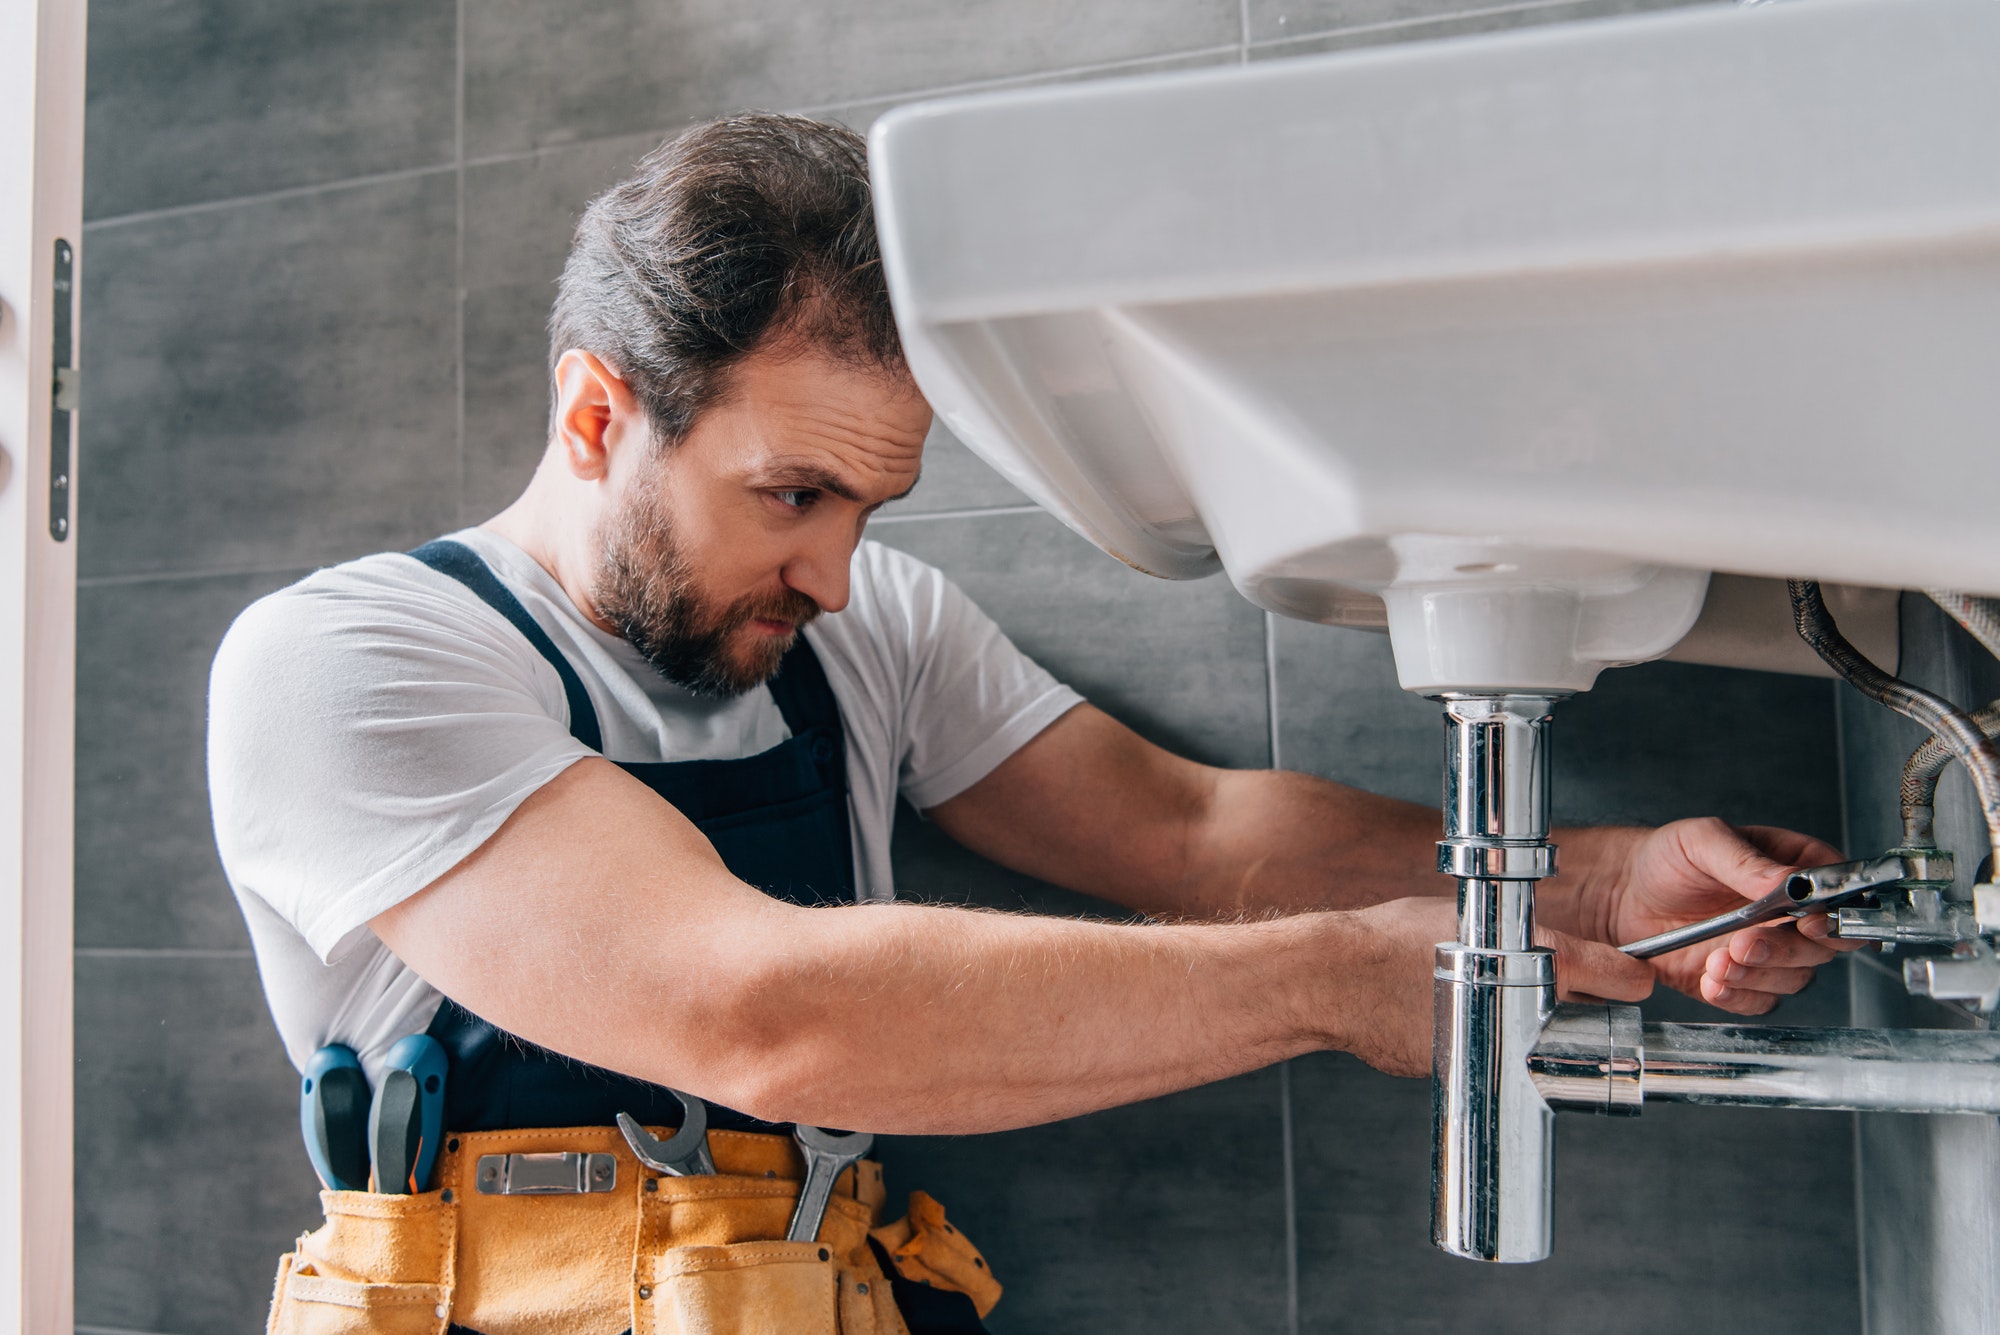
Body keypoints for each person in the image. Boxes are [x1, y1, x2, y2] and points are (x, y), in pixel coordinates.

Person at [209, 114, 1851, 1335]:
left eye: (872, 504)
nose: (840, 575)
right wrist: (1345, 979)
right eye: (794, 494)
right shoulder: (349, 664)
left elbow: (1191, 834)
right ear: (596, 415)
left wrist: (1595, 881)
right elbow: (756, 1015)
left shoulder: (870, 627)